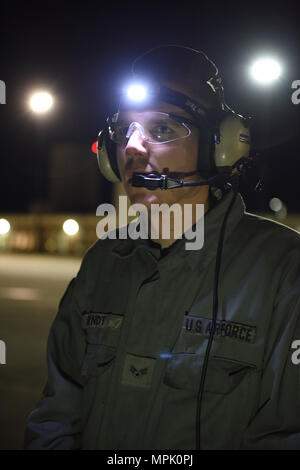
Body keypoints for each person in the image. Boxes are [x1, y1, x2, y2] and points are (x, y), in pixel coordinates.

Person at [24, 45, 300, 450]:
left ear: (220, 148)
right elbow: (55, 416)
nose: (132, 148)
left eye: (162, 130)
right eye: (124, 132)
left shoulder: (282, 269)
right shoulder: (103, 262)